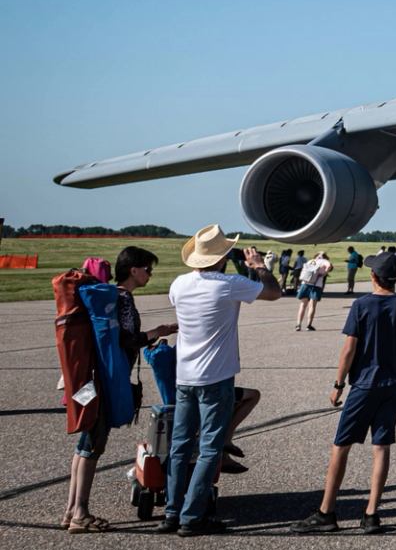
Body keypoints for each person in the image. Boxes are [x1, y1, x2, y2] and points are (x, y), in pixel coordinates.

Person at [165, 225, 282, 533]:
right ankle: (192, 517)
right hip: (215, 377)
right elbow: (273, 292)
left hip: (184, 376)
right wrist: (259, 267)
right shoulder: (228, 284)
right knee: (209, 448)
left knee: (180, 446)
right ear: (221, 258)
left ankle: (172, 511)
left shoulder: (179, 284)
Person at [293, 250, 396, 533]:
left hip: (363, 385)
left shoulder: (361, 305)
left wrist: (338, 384)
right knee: (381, 447)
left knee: (341, 446)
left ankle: (327, 512)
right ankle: (372, 514)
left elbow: (349, 349)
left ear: (373, 276)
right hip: (390, 386)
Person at [63, 246, 176, 532]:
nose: (150, 274)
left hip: (92, 379)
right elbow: (127, 339)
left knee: (84, 445)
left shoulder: (111, 297)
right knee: (93, 446)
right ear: (133, 269)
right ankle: (80, 514)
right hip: (106, 380)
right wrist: (158, 331)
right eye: (147, 269)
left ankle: (71, 510)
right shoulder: (123, 299)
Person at [293, 251, 331, 331]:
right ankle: (308, 325)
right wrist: (325, 273)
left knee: (302, 305)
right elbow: (329, 266)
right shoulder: (324, 261)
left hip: (305, 284)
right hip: (316, 285)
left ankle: (298, 324)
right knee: (312, 306)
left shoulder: (311, 261)